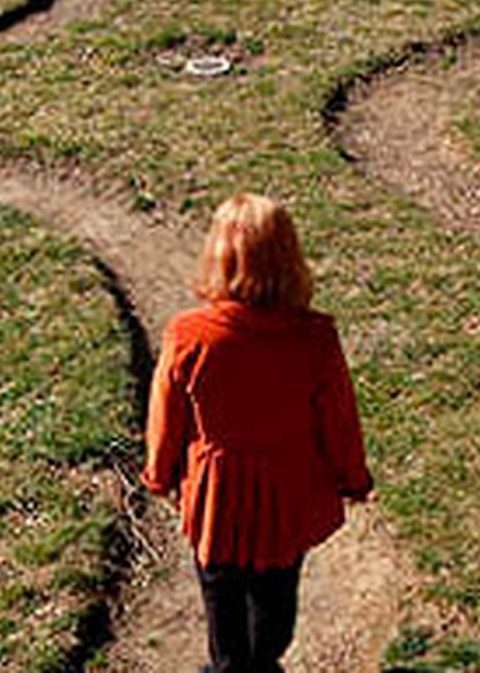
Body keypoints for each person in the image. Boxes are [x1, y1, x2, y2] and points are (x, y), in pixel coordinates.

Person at [142, 193, 374, 673]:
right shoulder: (315, 337)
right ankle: (263, 663)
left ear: (217, 257)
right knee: (276, 601)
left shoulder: (188, 335)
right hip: (286, 495)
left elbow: (165, 417)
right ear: (289, 257)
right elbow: (339, 419)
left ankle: (228, 667)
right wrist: (353, 478)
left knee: (221, 601)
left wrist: (161, 475)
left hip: (215, 497)